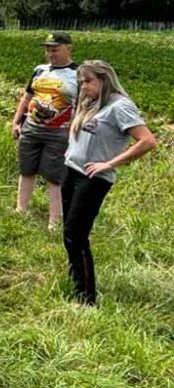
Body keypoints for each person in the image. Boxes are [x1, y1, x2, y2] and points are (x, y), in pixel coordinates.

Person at [63, 60, 156, 306]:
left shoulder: (119, 106)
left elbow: (147, 141)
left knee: (76, 234)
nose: (84, 87)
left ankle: (86, 300)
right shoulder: (90, 103)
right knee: (69, 233)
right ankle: (75, 281)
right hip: (71, 171)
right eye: (81, 82)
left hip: (93, 178)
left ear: (105, 79)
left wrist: (110, 163)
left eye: (89, 81)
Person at [10, 32, 78, 230]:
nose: (50, 54)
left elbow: (85, 104)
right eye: (47, 49)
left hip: (60, 131)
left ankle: (54, 222)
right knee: (26, 169)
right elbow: (27, 96)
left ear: (68, 48)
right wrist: (16, 122)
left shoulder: (78, 73)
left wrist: (77, 129)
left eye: (55, 49)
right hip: (32, 127)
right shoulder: (40, 70)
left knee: (55, 176)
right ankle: (20, 211)